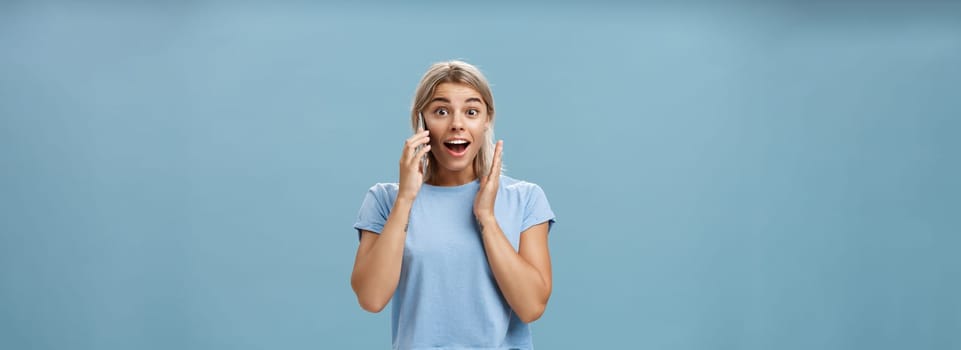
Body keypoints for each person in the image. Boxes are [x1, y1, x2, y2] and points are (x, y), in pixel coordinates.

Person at [351, 60, 556, 350]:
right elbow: (371, 298)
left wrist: (486, 218)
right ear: (421, 121)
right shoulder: (385, 200)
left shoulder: (525, 198)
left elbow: (531, 306)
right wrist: (406, 199)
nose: (457, 123)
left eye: (471, 112)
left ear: (487, 120)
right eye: (441, 111)